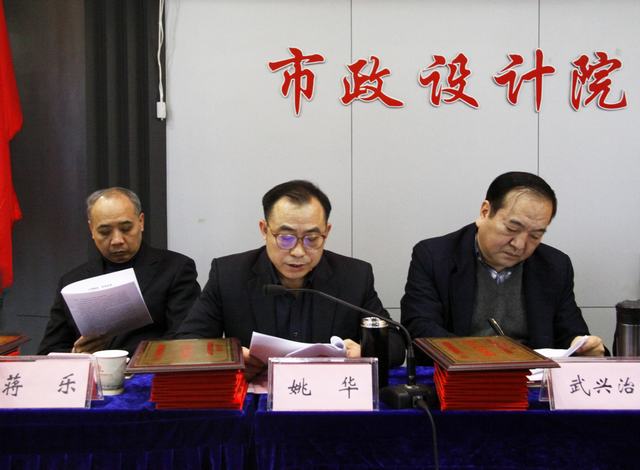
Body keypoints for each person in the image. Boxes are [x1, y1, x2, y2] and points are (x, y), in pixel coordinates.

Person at [177, 180, 405, 378]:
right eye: (286, 238)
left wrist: (366, 351)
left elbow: (395, 342)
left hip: (330, 396)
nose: (298, 251)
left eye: (312, 238)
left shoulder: (354, 276)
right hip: (257, 400)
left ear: (327, 232)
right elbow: (188, 343)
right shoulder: (229, 275)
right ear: (264, 229)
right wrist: (232, 358)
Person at [401, 171, 605, 356]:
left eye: (535, 235)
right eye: (512, 228)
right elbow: (420, 329)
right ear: (484, 212)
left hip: (532, 379)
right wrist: (488, 357)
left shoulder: (555, 266)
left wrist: (583, 347)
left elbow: (570, 332)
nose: (520, 244)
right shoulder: (434, 256)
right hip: (461, 375)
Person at [38, 187, 201, 355]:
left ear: (141, 222)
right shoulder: (72, 282)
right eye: (105, 232)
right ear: (91, 230)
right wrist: (76, 353)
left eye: (126, 228)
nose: (117, 240)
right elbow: (48, 351)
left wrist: (119, 357)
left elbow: (186, 337)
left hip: (149, 367)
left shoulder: (175, 269)